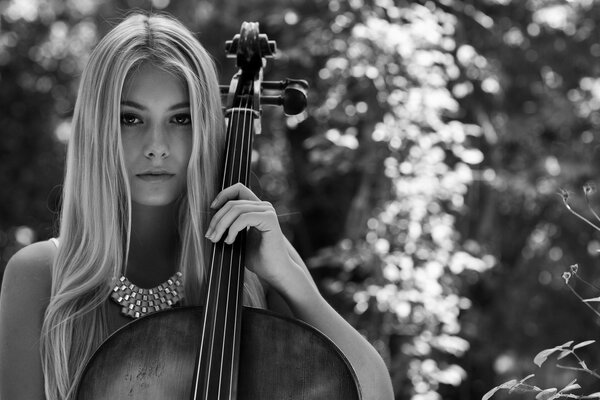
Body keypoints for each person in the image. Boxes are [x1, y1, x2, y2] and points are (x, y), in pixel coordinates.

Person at [0, 12, 394, 400]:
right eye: (131, 119)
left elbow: (374, 393)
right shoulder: (41, 277)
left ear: (206, 127)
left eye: (181, 119)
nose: (157, 146)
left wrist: (292, 281)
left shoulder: (252, 266)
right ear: (97, 127)